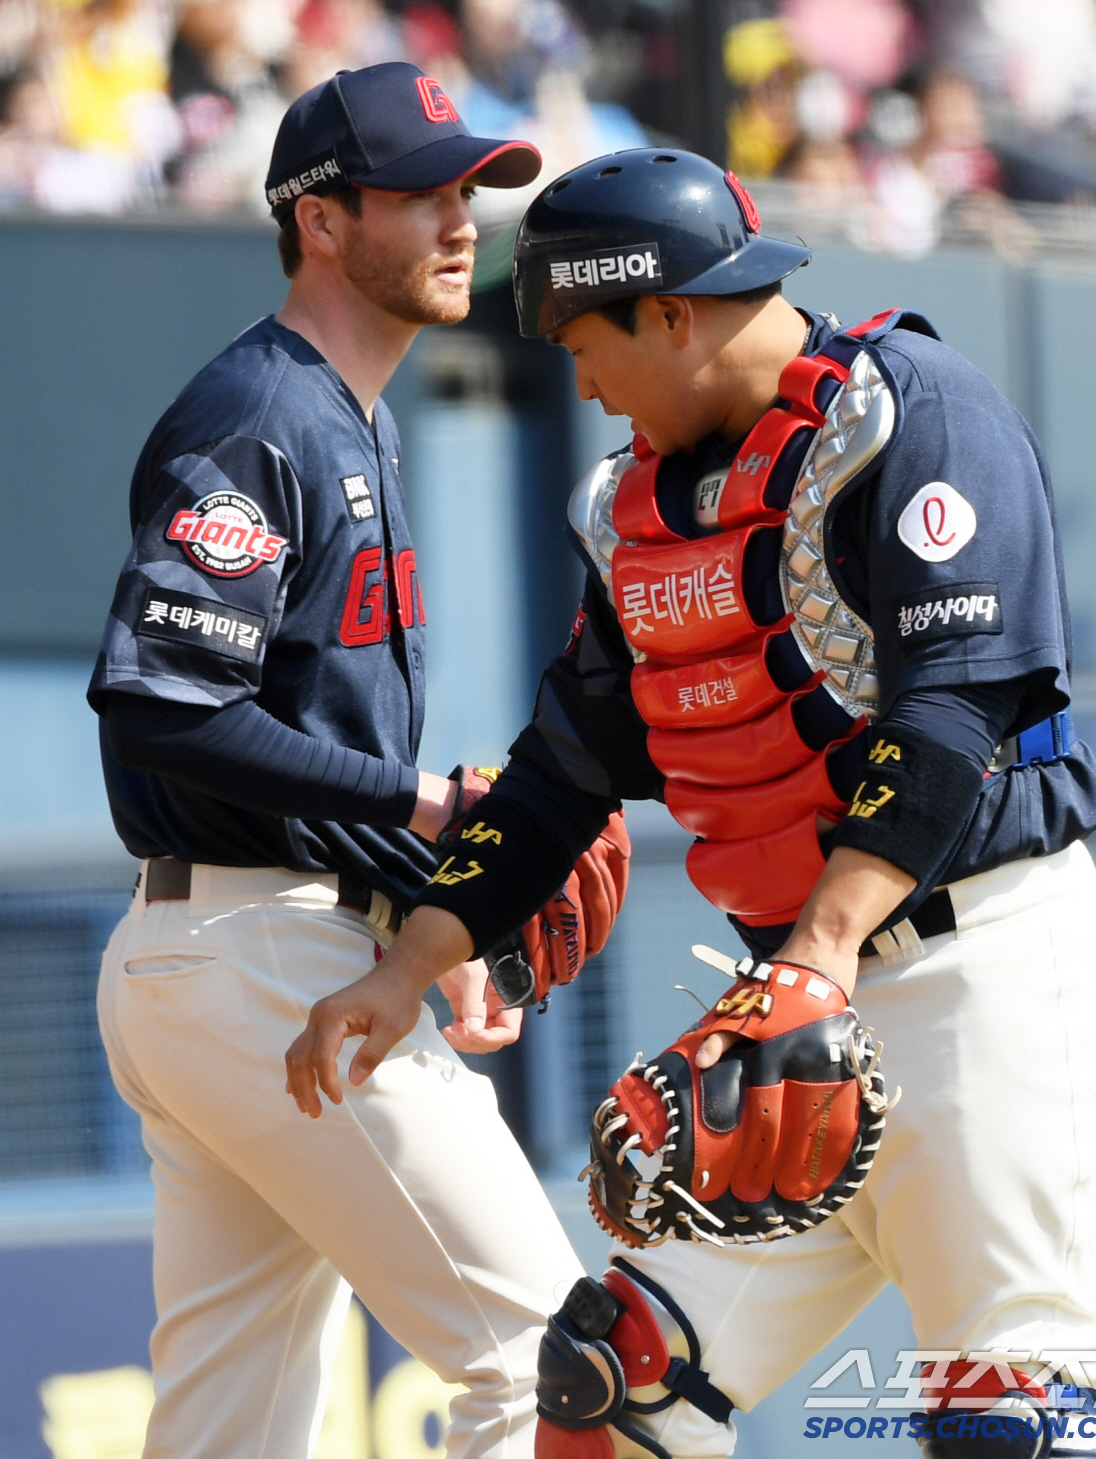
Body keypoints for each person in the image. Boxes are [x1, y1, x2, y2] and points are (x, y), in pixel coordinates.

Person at [285, 148, 1096, 1459]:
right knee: (609, 1385)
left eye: (585, 341)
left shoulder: (909, 412)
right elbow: (558, 777)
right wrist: (406, 969)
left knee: (1009, 1422)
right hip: (796, 1010)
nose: (580, 382)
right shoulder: (639, 509)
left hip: (987, 983)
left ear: (671, 313)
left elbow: (953, 713)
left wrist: (818, 953)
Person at [87, 61, 589, 1459]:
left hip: (239, 947)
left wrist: (430, 919)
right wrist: (425, 809)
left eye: (470, 191)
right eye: (421, 193)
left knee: (232, 1431)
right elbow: (161, 707)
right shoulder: (261, 414)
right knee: (559, 1371)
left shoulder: (347, 412)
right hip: (258, 954)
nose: (461, 220)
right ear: (319, 218)